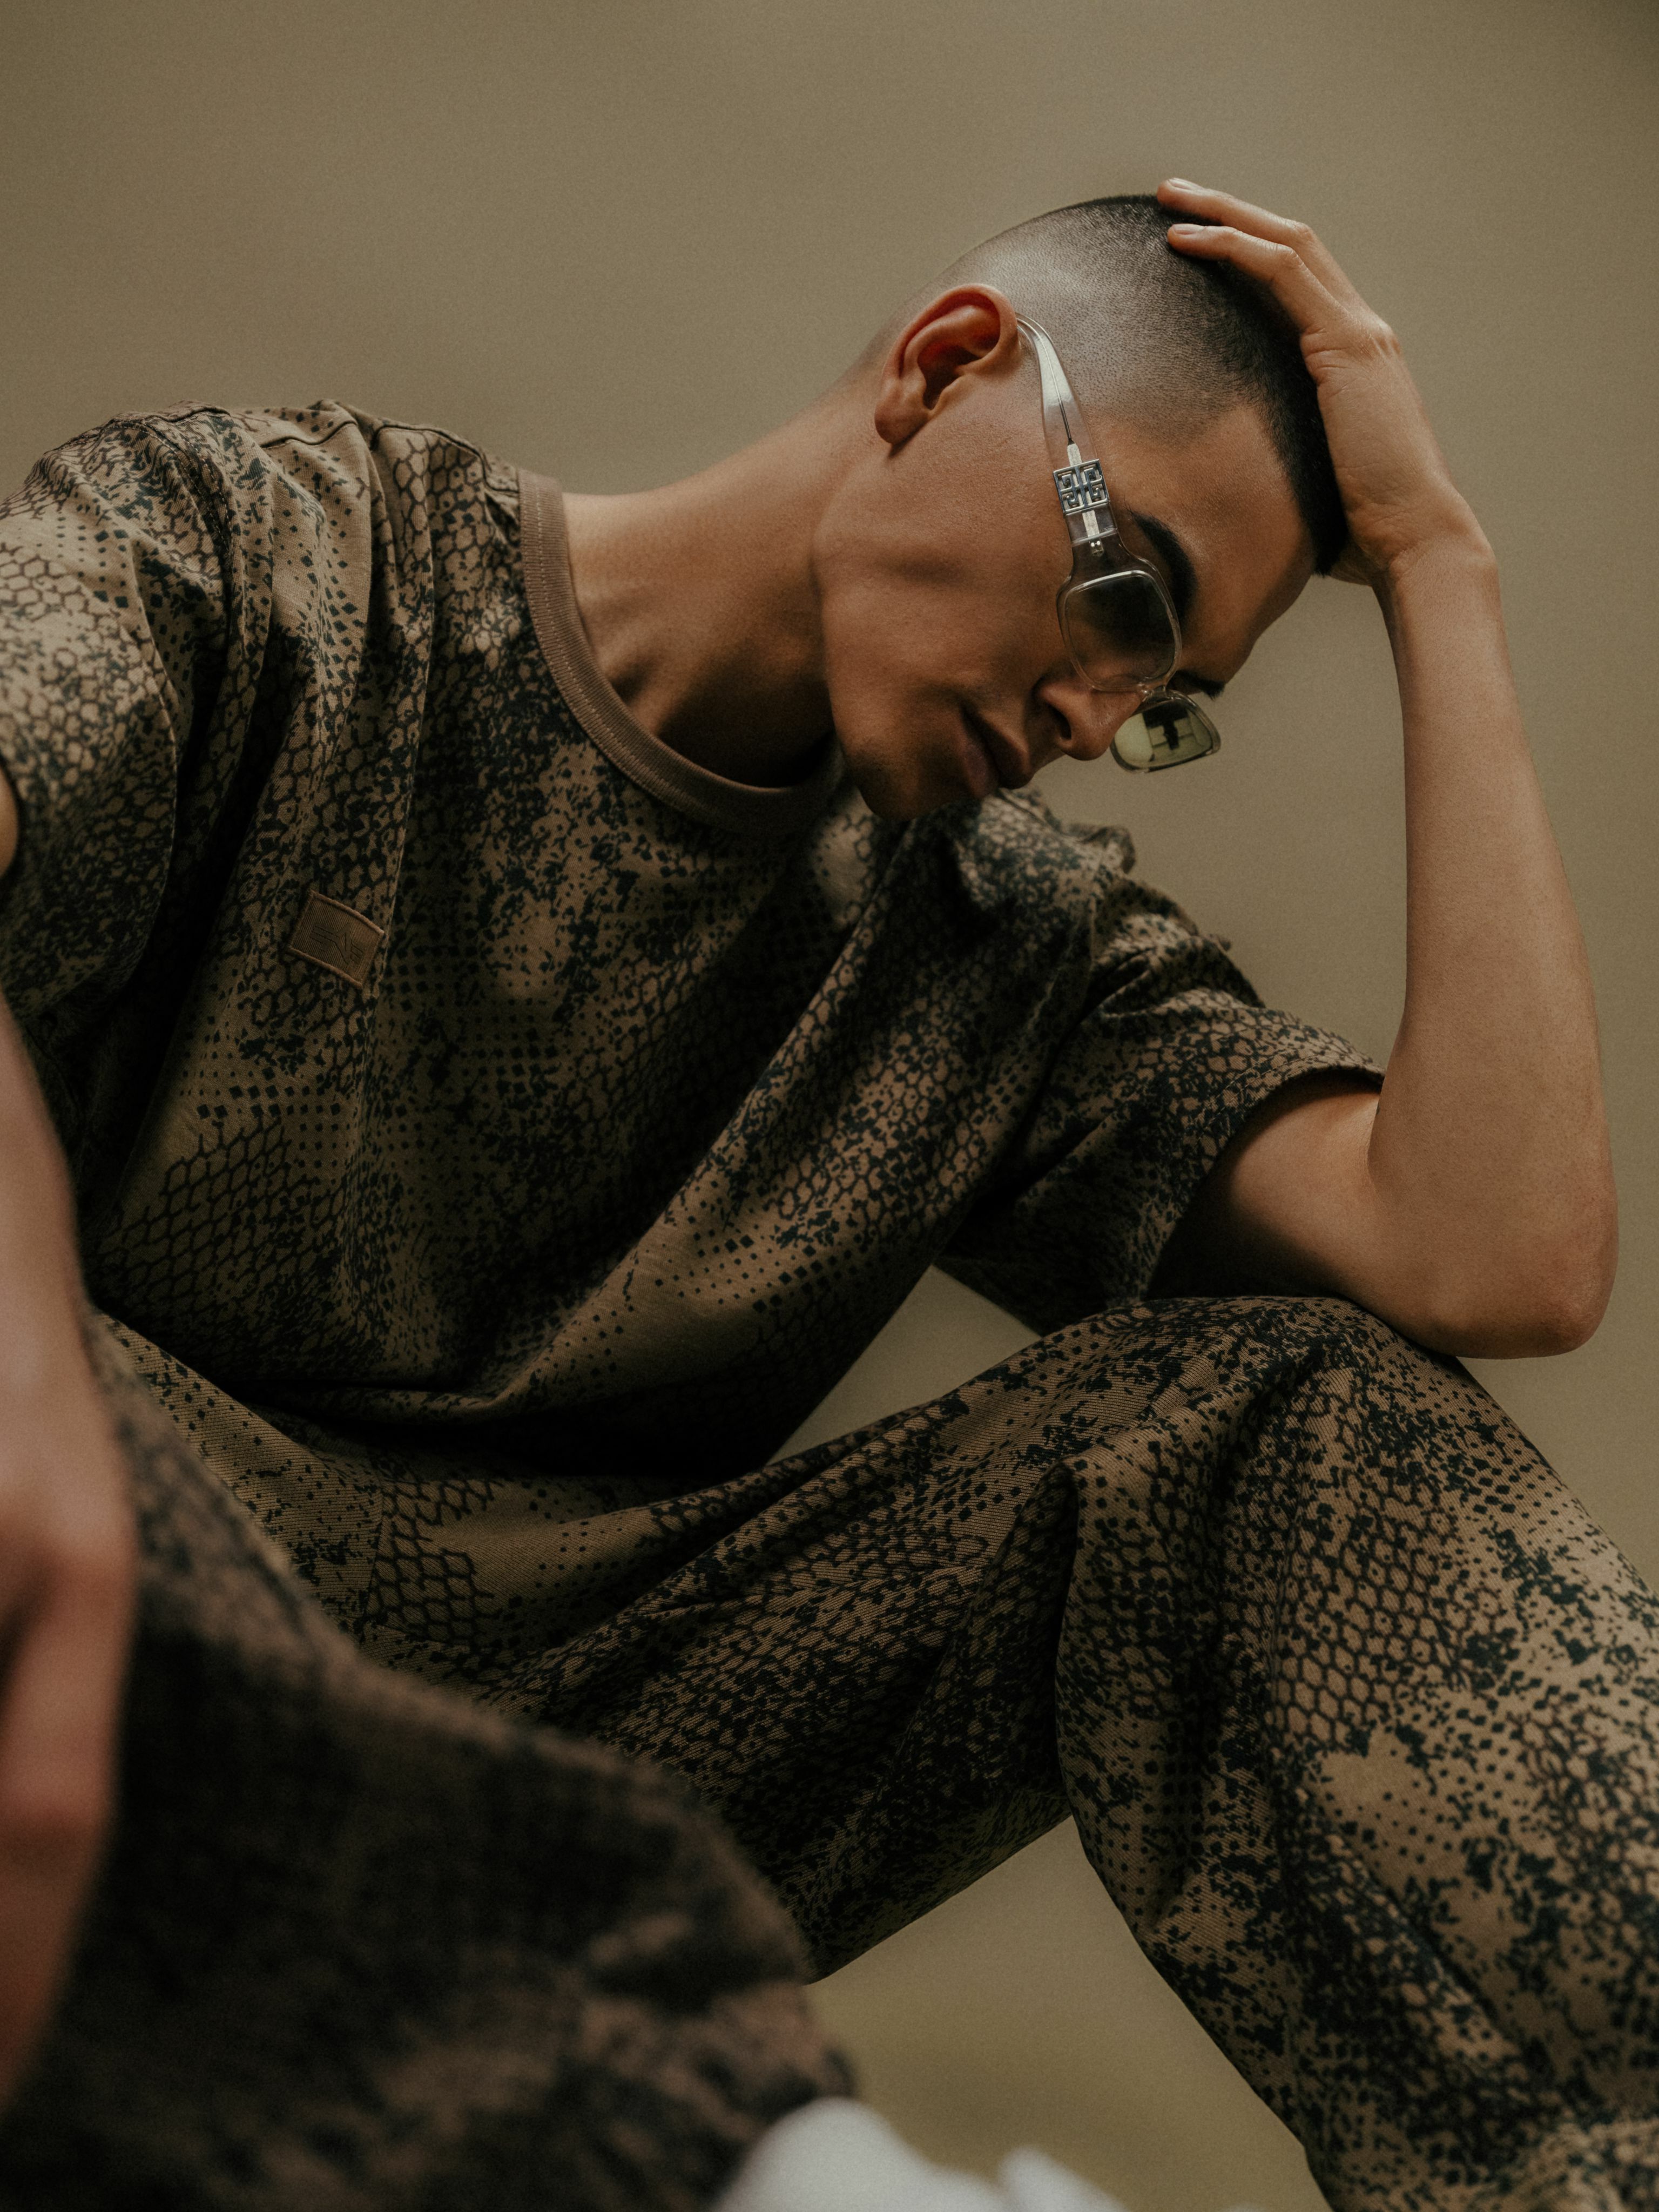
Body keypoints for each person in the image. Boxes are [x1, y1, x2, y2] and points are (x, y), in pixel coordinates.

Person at [0, 175, 1647, 2210]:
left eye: (1164, 705)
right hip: (75, 1587)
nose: (1096, 718)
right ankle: (772, 2171)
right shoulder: (276, 562)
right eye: (1132, 601)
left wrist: (1440, 566)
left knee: (1291, 1417)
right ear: (947, 370)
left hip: (581, 1778)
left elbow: (1497, 1255)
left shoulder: (1000, 954)